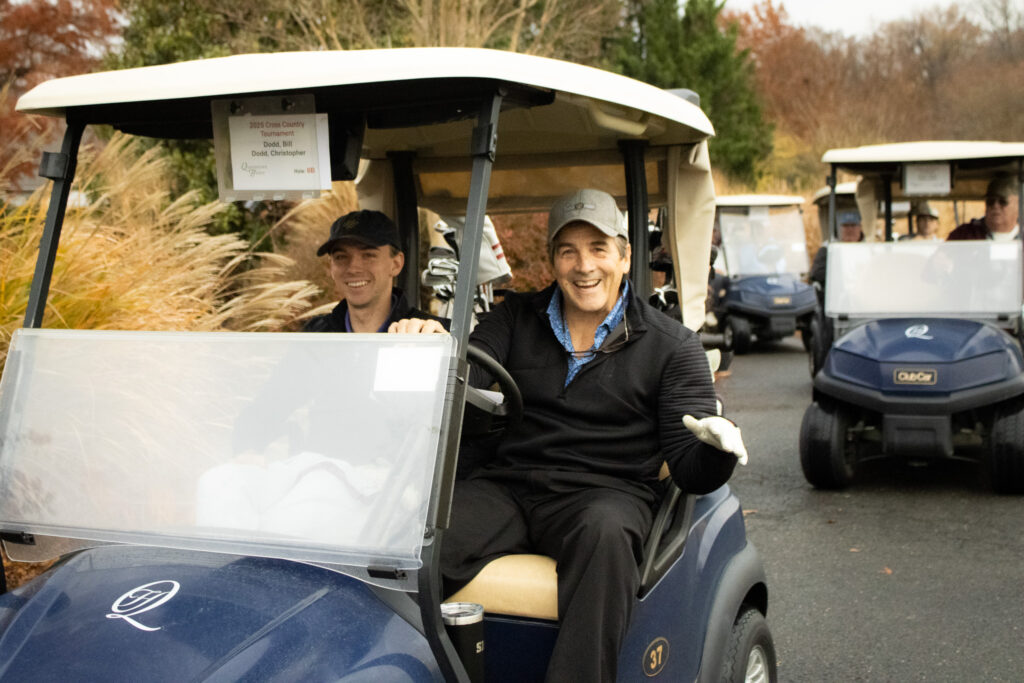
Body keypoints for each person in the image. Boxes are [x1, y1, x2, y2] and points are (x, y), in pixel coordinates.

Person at [441, 188, 748, 682]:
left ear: (625, 257)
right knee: (424, 534)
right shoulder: (516, 318)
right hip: (511, 486)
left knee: (606, 536)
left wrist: (715, 448)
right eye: (568, 251)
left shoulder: (672, 346)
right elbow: (465, 376)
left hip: (604, 493)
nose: (584, 266)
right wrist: (434, 349)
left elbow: (690, 469)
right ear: (553, 262)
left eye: (599, 249)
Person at [304, 209, 447, 333]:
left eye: (368, 255)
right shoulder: (312, 336)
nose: (353, 269)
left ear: (396, 264)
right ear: (331, 267)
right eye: (341, 257)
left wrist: (439, 340)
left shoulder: (434, 333)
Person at [947, 175, 1020, 241]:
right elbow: (941, 255)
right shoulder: (963, 235)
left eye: (1002, 201)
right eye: (990, 201)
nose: (995, 205)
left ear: (1018, 205)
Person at [808, 210, 862, 292]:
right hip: (837, 295)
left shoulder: (870, 248)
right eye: (846, 226)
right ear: (839, 228)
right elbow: (817, 274)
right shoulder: (828, 248)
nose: (850, 230)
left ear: (860, 228)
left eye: (853, 225)